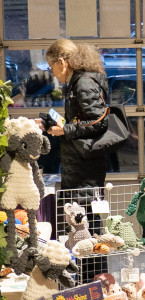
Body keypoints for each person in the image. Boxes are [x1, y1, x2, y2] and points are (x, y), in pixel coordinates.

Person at [45, 39, 109, 190]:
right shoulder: (80, 82)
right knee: (80, 211)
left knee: (84, 211)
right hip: (81, 164)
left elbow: (99, 122)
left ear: (61, 62)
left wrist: (64, 130)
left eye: (51, 67)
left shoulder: (83, 84)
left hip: (84, 169)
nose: (53, 74)